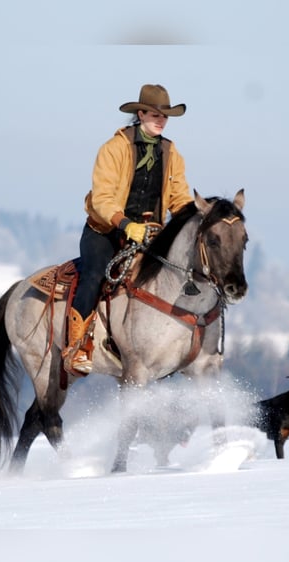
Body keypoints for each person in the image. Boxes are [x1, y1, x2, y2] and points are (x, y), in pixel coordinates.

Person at [63, 84, 194, 375]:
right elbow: (102, 198)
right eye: (155, 114)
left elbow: (180, 197)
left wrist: (196, 218)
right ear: (141, 114)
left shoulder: (172, 154)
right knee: (94, 275)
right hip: (105, 231)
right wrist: (125, 224)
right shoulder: (114, 149)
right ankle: (78, 346)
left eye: (166, 116)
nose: (161, 120)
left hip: (151, 235)